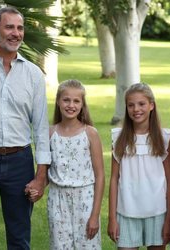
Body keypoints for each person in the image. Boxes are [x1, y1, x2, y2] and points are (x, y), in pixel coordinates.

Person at [0, 6, 51, 250]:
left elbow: (40, 127)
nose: (16, 33)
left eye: (20, 27)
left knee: (19, 236)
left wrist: (40, 175)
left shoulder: (34, 75)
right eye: (9, 27)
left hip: (19, 162)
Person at [108, 83, 170, 250]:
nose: (136, 109)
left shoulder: (164, 138)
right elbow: (114, 179)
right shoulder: (118, 138)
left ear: (151, 105)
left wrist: (169, 220)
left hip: (158, 212)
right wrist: (112, 218)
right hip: (127, 212)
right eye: (131, 105)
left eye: (141, 104)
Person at [46, 79, 105, 249]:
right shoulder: (50, 133)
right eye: (66, 100)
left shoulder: (90, 133)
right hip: (57, 200)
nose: (71, 105)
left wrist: (95, 215)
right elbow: (45, 172)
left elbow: (100, 176)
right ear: (58, 101)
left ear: (82, 104)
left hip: (85, 200)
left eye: (76, 101)